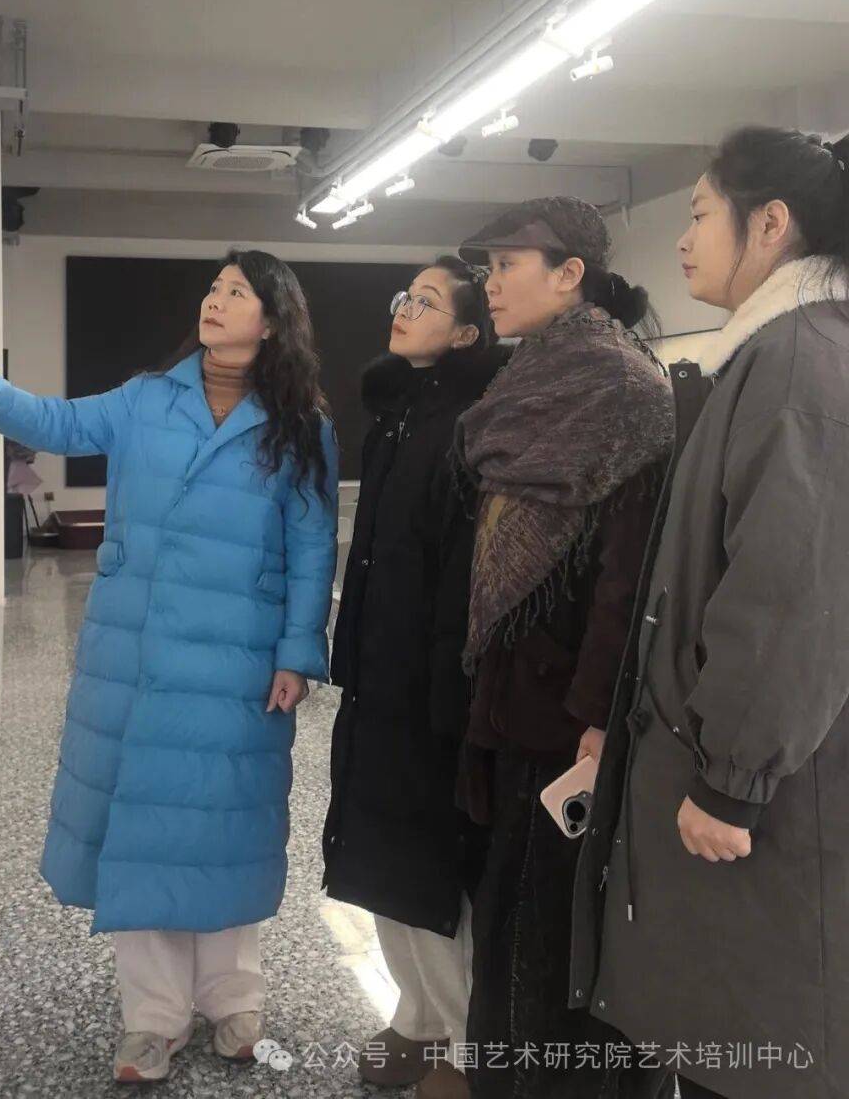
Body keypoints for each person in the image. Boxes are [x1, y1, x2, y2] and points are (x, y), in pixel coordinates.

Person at [0, 249, 339, 1085]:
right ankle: (152, 1018)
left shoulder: (300, 424)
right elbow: (61, 423)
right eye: (213, 287)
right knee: (142, 829)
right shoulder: (146, 398)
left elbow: (313, 543)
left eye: (237, 291)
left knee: (224, 828)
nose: (215, 300)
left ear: (272, 320)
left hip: (238, 657)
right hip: (134, 652)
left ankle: (235, 1000)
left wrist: (297, 649)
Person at [571, 126, 849, 1099]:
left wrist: (732, 779)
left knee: (763, 1039)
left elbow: (793, 594)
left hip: (766, 797)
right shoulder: (774, 353)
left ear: (770, 224)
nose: (681, 239)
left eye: (697, 214)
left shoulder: (800, 364)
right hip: (740, 775)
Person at [452, 197, 675, 1099]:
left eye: (508, 264)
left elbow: (631, 574)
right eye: (487, 268)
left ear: (570, 272)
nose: (491, 283)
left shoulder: (625, 390)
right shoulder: (524, 380)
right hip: (510, 702)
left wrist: (596, 717)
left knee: (552, 934)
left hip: (570, 721)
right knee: (508, 920)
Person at [322, 256, 508, 1098]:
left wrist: (449, 695)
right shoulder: (396, 412)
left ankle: (466, 1047)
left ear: (466, 332)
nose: (404, 309)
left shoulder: (471, 422)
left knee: (431, 870)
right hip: (380, 672)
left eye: (427, 303)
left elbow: (466, 572)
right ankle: (418, 1016)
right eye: (406, 296)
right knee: (379, 855)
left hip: (432, 684)